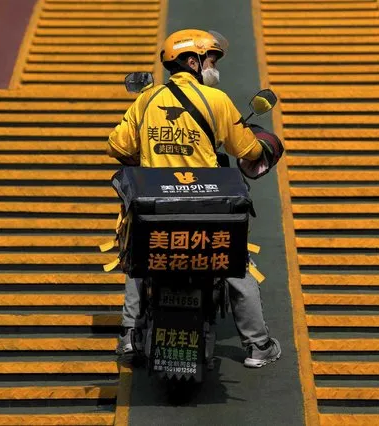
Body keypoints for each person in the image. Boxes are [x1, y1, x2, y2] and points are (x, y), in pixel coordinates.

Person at [107, 29, 281, 368]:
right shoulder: (215, 101)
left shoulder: (146, 99)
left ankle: (130, 335)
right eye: (211, 60)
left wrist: (148, 158)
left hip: (155, 210)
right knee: (237, 267)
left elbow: (117, 145)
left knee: (139, 261)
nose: (214, 67)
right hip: (208, 212)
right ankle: (258, 346)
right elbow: (245, 149)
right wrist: (265, 143)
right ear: (193, 61)